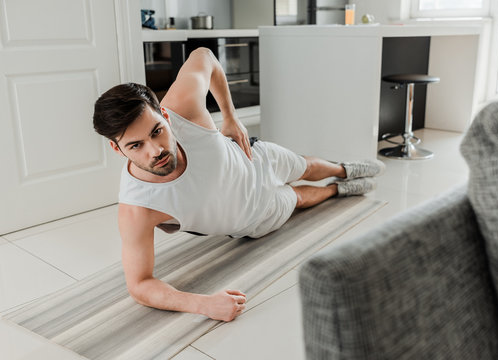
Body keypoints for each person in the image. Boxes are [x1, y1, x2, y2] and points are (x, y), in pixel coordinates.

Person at [92, 47, 384, 322]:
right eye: (136, 145)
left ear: (165, 116)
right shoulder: (137, 207)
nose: (154, 150)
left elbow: (203, 55)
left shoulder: (182, 108)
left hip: (257, 158)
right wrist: (204, 304)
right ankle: (338, 189)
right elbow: (140, 283)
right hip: (255, 217)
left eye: (157, 131)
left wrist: (230, 116)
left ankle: (344, 169)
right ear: (118, 150)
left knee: (304, 165)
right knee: (298, 198)